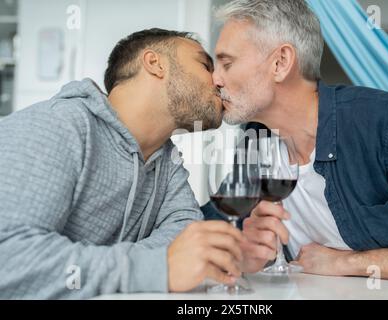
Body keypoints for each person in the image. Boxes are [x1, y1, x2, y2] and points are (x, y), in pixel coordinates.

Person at [0, 28, 243, 299]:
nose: (219, 80)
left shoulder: (166, 163)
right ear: (155, 63)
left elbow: (186, 240)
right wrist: (152, 267)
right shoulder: (55, 126)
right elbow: (9, 260)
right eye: (205, 65)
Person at [204, 0, 388, 281]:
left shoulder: (387, 125)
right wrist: (243, 246)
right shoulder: (255, 139)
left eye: (226, 63)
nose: (215, 79)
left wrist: (348, 263)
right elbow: (208, 225)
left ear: (280, 63)